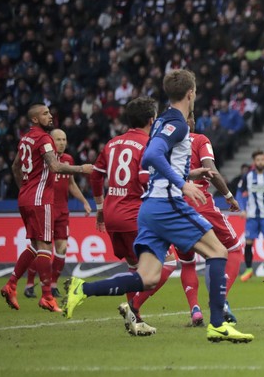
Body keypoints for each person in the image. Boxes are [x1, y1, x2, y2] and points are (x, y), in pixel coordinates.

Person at [63, 69, 253, 343]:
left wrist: (189, 174)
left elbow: (149, 163)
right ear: (191, 93)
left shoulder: (162, 121)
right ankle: (218, 324)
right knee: (218, 251)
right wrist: (182, 183)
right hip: (168, 204)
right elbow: (151, 155)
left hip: (151, 207)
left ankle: (83, 289)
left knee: (148, 277)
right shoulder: (178, 123)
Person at [146, 112, 244, 326]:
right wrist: (229, 196)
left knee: (187, 262)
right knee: (234, 248)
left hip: (174, 206)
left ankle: (195, 311)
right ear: (190, 121)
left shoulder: (161, 143)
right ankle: (221, 301)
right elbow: (212, 170)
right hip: (200, 202)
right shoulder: (199, 140)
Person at [0, 104, 94, 313]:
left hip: (25, 198)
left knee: (34, 246)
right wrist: (82, 168)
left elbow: (16, 166)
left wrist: (24, 188)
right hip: (41, 199)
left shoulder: (25, 138)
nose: (49, 116)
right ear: (35, 119)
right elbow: (55, 166)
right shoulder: (43, 139)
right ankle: (47, 296)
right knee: (44, 248)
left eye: (50, 112)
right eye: (44, 114)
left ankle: (11, 283)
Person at [89, 97, 160, 335]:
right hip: (135, 215)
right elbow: (143, 179)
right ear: (152, 119)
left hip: (111, 214)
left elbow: (95, 175)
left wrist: (100, 207)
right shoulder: (149, 143)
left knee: (134, 267)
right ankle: (133, 305)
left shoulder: (112, 143)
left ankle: (135, 319)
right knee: (166, 263)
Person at [24, 129, 92, 299]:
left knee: (61, 248)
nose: (62, 142)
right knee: (40, 249)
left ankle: (53, 285)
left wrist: (84, 201)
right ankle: (30, 283)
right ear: (51, 142)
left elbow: (71, 184)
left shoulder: (68, 160)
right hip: (44, 209)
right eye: (58, 139)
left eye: (64, 139)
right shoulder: (44, 160)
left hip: (62, 211)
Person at [237, 150, 264, 283]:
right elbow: (239, 193)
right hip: (252, 216)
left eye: (262, 159)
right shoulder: (247, 176)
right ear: (254, 162)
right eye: (258, 160)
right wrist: (242, 209)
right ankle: (248, 270)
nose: (260, 162)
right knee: (248, 243)